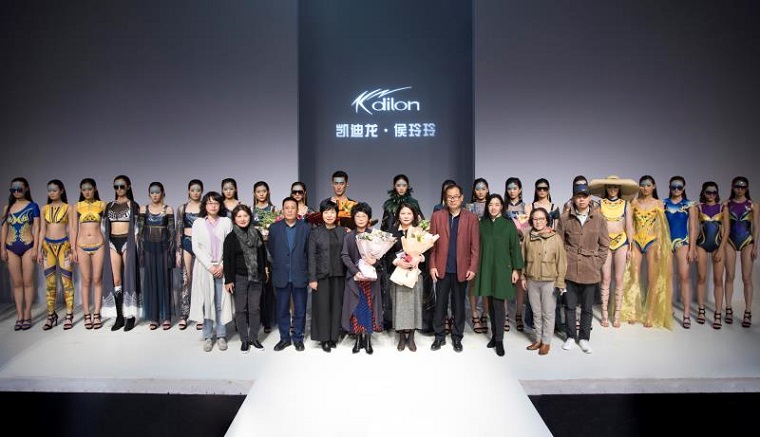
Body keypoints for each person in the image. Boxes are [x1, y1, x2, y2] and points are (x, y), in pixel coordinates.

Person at [556, 182, 609, 353]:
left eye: (584, 196)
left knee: (587, 308)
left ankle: (585, 338)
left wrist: (597, 263)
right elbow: (559, 244)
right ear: (573, 198)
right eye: (578, 196)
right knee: (570, 306)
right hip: (570, 269)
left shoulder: (599, 219)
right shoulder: (565, 218)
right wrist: (562, 265)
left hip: (590, 270)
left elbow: (604, 245)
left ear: (589, 198)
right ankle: (571, 336)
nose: (581, 200)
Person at [428, 184, 480, 353]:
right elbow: (431, 245)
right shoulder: (437, 216)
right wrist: (432, 265)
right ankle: (439, 336)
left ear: (462, 198)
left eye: (456, 196)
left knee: (459, 305)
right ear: (445, 198)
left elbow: (475, 246)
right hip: (442, 268)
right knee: (440, 305)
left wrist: (473, 267)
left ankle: (457, 337)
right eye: (449, 197)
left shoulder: (471, 218)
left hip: (461, 268)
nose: (453, 199)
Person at [471, 194, 522, 357]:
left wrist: (516, 269)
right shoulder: (482, 224)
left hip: (502, 269)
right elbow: (476, 247)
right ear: (487, 207)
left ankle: (499, 340)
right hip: (486, 268)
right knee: (490, 305)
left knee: (499, 304)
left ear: (502, 207)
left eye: (497, 204)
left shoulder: (508, 224)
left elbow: (515, 247)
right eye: (491, 204)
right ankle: (494, 335)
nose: (493, 207)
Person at [620, 175, 673, 329]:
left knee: (652, 279)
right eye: (642, 185)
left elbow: (662, 227)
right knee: (634, 277)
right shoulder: (634, 203)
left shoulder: (658, 203)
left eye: (648, 185)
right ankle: (634, 312)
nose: (645, 188)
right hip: (636, 241)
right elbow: (630, 225)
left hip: (652, 241)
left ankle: (650, 314)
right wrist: (629, 245)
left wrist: (660, 246)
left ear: (654, 186)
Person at [588, 175, 637, 328]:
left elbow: (629, 227)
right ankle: (604, 313)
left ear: (619, 188)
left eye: (615, 187)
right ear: (606, 188)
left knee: (619, 278)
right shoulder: (600, 204)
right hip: (605, 243)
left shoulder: (626, 204)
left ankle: (617, 314)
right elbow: (595, 225)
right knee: (606, 278)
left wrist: (630, 247)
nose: (612, 189)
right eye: (610, 187)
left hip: (622, 242)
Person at [189, 192, 233, 352]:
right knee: (206, 302)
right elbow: (196, 247)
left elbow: (230, 245)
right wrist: (210, 266)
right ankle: (208, 336)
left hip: (222, 268)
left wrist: (222, 265)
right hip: (204, 268)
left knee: (221, 303)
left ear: (220, 205)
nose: (213, 206)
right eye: (209, 203)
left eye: (216, 203)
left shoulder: (226, 222)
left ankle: (221, 335)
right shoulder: (198, 223)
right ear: (205, 205)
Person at [521, 207, 566, 356]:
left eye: (541, 218)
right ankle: (538, 339)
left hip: (549, 281)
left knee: (548, 313)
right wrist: (523, 277)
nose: (538, 221)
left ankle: (546, 342)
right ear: (531, 220)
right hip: (532, 280)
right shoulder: (528, 236)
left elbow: (561, 262)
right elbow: (523, 258)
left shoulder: (555, 237)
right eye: (535, 219)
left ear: (547, 220)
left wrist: (560, 282)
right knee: (536, 312)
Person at [268, 196, 311, 352]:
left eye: (293, 207)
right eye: (287, 208)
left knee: (300, 310)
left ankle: (298, 338)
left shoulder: (305, 228)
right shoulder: (274, 228)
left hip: (300, 274)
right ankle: (284, 339)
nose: (290, 210)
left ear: (297, 210)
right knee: (282, 310)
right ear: (282, 210)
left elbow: (308, 252)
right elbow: (272, 249)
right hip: (282, 275)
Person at [224, 204, 268, 353]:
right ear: (234, 219)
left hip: (256, 277)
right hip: (239, 278)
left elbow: (262, 255)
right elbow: (227, 260)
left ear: (250, 217)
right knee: (241, 310)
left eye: (245, 216)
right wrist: (228, 280)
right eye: (239, 216)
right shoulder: (231, 238)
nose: (242, 219)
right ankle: (244, 339)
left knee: (255, 308)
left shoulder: (256, 233)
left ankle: (254, 338)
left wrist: (264, 271)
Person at [341, 202, 383, 354]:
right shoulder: (348, 236)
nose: (360, 219)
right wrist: (354, 271)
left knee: (369, 308)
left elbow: (381, 256)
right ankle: (358, 338)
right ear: (353, 218)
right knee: (357, 307)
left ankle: (368, 338)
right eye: (357, 216)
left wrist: (374, 261)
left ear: (368, 218)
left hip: (370, 279)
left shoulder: (375, 235)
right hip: (355, 277)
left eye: (363, 216)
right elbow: (345, 256)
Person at [386, 202, 427, 352]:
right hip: (398, 273)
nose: (406, 216)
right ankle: (402, 337)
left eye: (409, 213)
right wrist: (398, 262)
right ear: (398, 215)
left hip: (415, 273)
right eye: (403, 213)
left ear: (414, 215)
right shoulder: (392, 232)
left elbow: (428, 252)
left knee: (415, 305)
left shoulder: (420, 232)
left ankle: (412, 337)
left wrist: (419, 258)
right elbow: (387, 254)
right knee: (399, 305)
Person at [102, 175, 140, 332]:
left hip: (127, 242)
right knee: (116, 279)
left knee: (128, 277)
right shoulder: (109, 206)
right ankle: (119, 317)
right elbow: (104, 227)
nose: (119, 189)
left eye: (122, 186)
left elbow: (137, 227)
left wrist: (134, 244)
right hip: (112, 243)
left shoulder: (133, 205)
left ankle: (130, 316)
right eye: (116, 186)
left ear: (128, 187)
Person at [307, 200, 347, 352]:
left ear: (336, 214)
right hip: (321, 275)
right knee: (322, 307)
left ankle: (333, 336)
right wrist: (312, 278)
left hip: (339, 274)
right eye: (326, 212)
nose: (329, 215)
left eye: (332, 212)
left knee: (336, 306)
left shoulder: (342, 231)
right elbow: (311, 256)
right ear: (321, 214)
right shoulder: (315, 233)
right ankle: (324, 338)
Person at [1, 177, 40, 331]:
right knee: (16, 283)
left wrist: (36, 247)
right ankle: (20, 315)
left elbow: (37, 228)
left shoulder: (33, 206)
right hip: (10, 247)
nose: (16, 192)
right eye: (13, 189)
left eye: (19, 189)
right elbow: (4, 228)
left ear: (26, 189)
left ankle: (27, 314)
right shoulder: (8, 207)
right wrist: (2, 248)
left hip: (28, 246)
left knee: (28, 282)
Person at [37, 180, 74, 330]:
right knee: (50, 284)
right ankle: (51, 315)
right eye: (49, 190)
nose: (51, 193)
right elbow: (42, 230)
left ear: (61, 190)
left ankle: (69, 315)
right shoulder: (44, 208)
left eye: (54, 190)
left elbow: (72, 229)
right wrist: (38, 250)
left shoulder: (68, 208)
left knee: (67, 283)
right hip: (48, 246)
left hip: (64, 246)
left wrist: (73, 249)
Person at [138, 182, 175, 330]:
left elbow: (172, 233)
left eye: (157, 192)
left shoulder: (168, 209)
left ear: (163, 193)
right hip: (148, 249)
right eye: (152, 192)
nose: (154, 195)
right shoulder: (143, 209)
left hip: (164, 249)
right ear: (149, 194)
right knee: (151, 281)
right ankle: (153, 317)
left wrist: (171, 253)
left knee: (164, 281)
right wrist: (141, 251)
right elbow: (140, 232)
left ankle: (166, 316)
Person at [71, 178, 106, 329]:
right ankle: (86, 314)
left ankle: (97, 313)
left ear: (95, 189)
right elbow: (73, 229)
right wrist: (73, 249)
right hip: (81, 245)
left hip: (99, 245)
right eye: (84, 189)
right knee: (86, 280)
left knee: (97, 279)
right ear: (81, 190)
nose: (87, 192)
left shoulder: (102, 205)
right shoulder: (76, 206)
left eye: (89, 189)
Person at [664, 176, 698, 328]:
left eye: (679, 187)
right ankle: (669, 309)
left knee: (684, 277)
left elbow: (693, 228)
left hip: (683, 242)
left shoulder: (689, 204)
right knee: (668, 277)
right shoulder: (663, 203)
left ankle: (686, 313)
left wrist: (692, 248)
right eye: (673, 187)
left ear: (683, 188)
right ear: (669, 187)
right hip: (666, 243)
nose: (676, 189)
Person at [723, 176, 758, 328]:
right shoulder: (726, 204)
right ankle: (728, 308)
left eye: (743, 187)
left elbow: (756, 227)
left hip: (747, 241)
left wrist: (755, 246)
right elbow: (724, 226)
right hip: (730, 241)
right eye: (737, 186)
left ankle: (748, 311)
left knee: (746, 277)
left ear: (747, 188)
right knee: (730, 276)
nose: (740, 189)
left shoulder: (753, 205)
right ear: (732, 187)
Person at [694, 182, 729, 329]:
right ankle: (701, 310)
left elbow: (726, 231)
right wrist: (693, 248)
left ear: (717, 193)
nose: (711, 195)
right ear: (704, 192)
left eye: (714, 192)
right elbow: (694, 228)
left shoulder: (722, 208)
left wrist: (721, 249)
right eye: (708, 192)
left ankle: (718, 313)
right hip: (701, 244)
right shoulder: (698, 207)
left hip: (718, 245)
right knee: (701, 277)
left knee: (718, 280)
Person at [175, 179, 203, 330]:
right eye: (193, 190)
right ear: (188, 191)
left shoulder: (205, 207)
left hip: (201, 245)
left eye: (198, 190)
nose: (195, 193)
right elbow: (178, 230)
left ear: (202, 191)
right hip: (186, 243)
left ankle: (200, 315)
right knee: (186, 279)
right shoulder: (182, 208)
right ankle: (184, 315)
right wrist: (177, 252)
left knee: (200, 280)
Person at [504, 177, 531, 332]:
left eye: (514, 188)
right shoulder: (503, 206)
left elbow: (530, 228)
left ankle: (519, 314)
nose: (512, 191)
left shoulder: (526, 206)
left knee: (520, 282)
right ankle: (506, 315)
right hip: (505, 247)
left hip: (520, 246)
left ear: (520, 189)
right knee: (506, 281)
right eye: (509, 188)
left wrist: (522, 228)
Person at [251, 180, 277, 334]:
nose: (261, 194)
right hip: (254, 249)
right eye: (258, 191)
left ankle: (268, 320)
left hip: (269, 248)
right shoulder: (250, 209)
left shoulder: (274, 209)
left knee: (269, 285)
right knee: (255, 284)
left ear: (268, 192)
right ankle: (255, 319)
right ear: (254, 193)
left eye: (264, 191)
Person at [465, 178, 490, 334]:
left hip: (488, 247)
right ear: (474, 190)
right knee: (473, 283)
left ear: (487, 190)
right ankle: (474, 314)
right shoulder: (469, 207)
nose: (480, 191)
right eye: (477, 189)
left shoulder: (492, 205)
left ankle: (485, 314)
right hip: (472, 247)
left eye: (483, 188)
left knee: (486, 283)